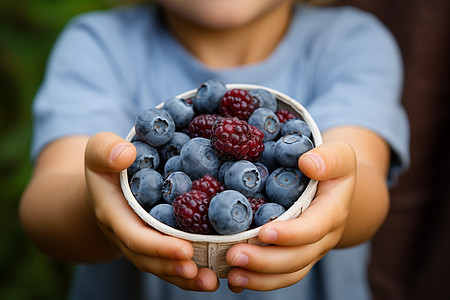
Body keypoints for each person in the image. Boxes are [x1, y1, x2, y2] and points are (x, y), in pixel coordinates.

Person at [19, 0, 409, 299]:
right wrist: (98, 202)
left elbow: (364, 182)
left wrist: (339, 197)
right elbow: (45, 209)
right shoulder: (97, 47)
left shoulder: (352, 44)